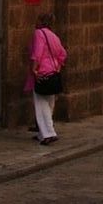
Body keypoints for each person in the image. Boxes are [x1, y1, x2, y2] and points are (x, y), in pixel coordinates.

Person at [31, 13, 67, 144]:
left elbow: (38, 53)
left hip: (42, 72)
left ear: (41, 21)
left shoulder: (39, 33)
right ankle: (43, 133)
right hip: (53, 73)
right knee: (50, 102)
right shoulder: (54, 36)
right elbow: (63, 54)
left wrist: (34, 68)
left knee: (41, 104)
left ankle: (49, 133)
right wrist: (57, 68)